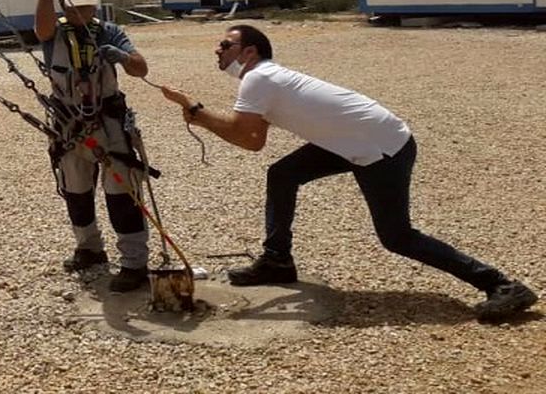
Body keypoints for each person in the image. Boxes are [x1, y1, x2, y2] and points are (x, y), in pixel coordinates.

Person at [158, 24, 538, 322]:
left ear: (250, 52)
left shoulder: (259, 78)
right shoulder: (265, 78)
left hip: (380, 147)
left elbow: (249, 140)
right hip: (357, 139)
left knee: (397, 236)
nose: (217, 50)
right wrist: (201, 114)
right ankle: (277, 261)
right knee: (283, 174)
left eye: (225, 45)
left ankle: (500, 284)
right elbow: (252, 135)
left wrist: (194, 109)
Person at [35, 0, 152, 292]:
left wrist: (124, 58)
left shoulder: (110, 32)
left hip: (109, 122)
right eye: (73, 8)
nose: (80, 14)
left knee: (122, 192)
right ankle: (89, 248)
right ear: (62, 7)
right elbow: (40, 28)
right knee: (76, 189)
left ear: (95, 7)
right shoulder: (53, 35)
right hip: (69, 124)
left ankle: (134, 262)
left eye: (86, 8)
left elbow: (141, 70)